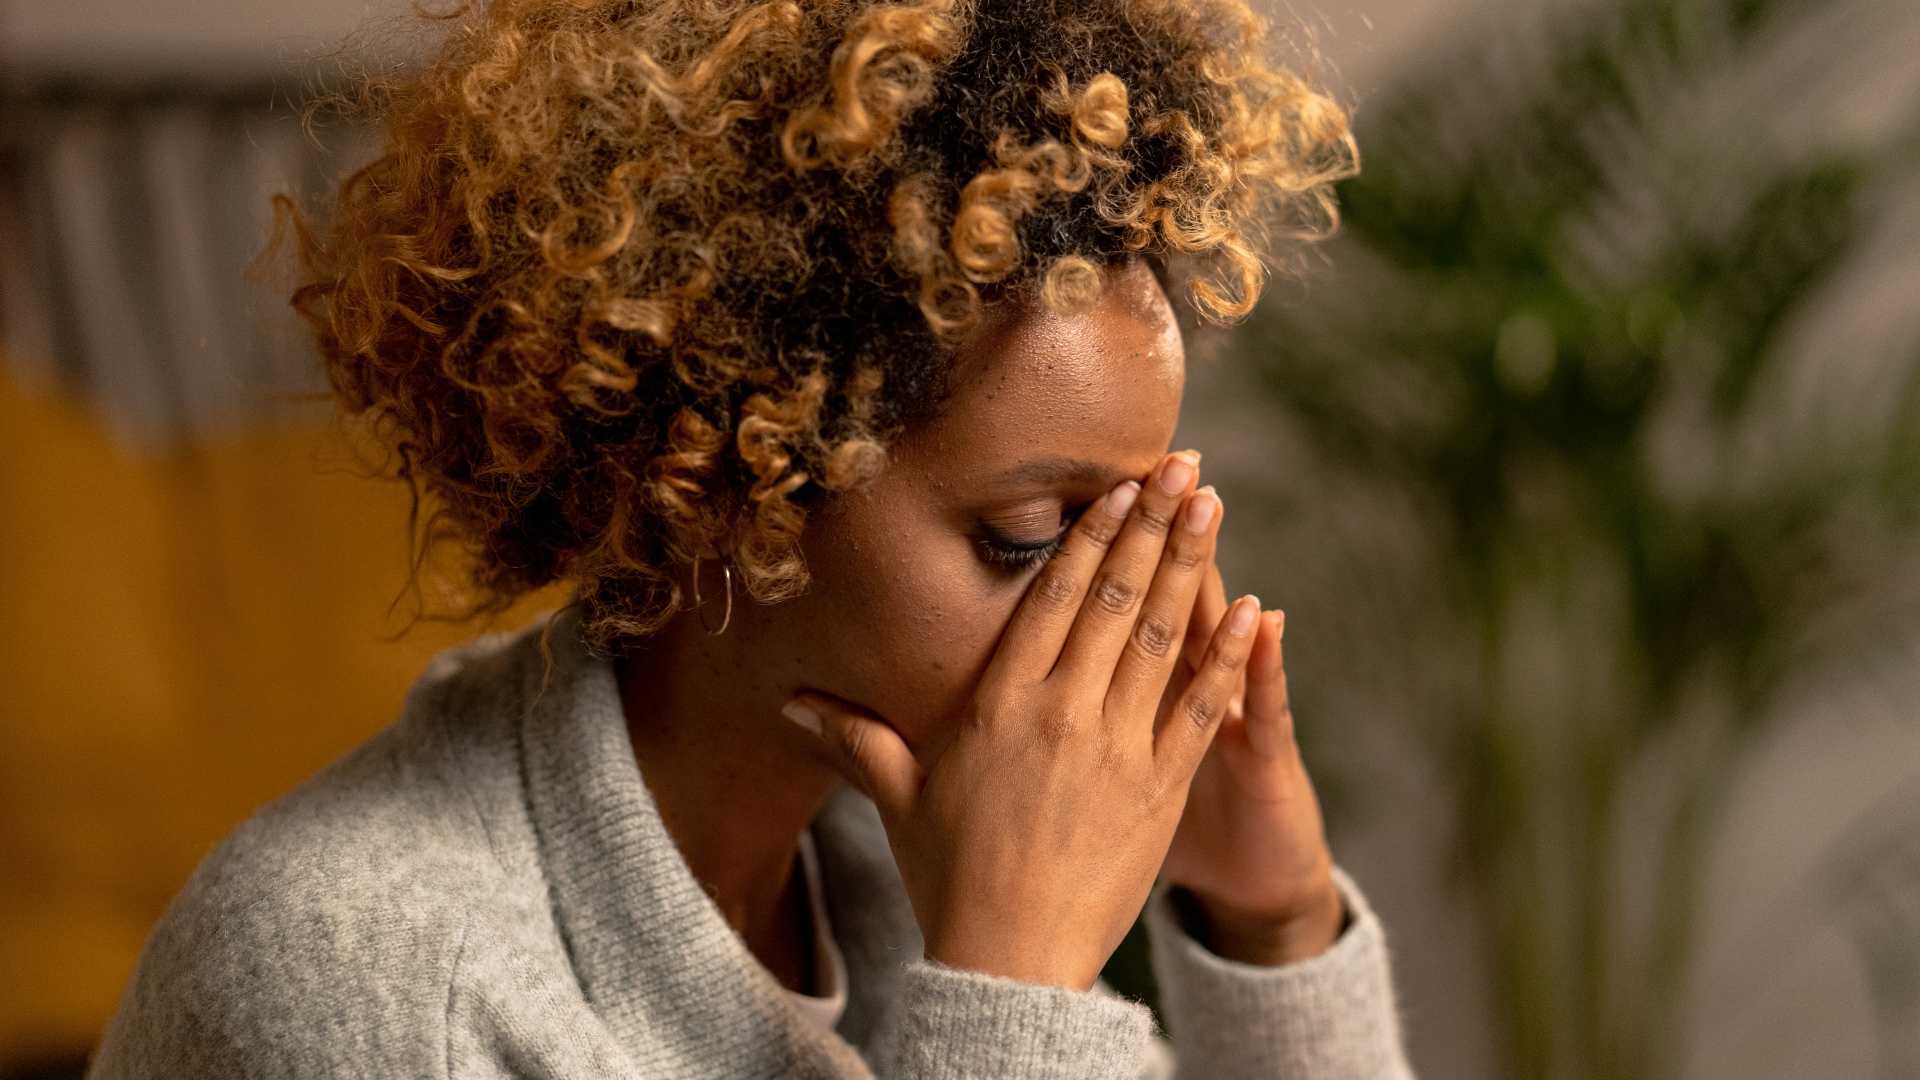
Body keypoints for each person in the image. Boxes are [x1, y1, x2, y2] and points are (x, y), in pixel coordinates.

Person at [91, 0, 1410, 1074]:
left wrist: (1271, 920)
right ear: (731, 476)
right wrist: (1012, 997)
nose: (1128, 611)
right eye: (1023, 534)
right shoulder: (360, 989)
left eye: (1137, 520)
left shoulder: (900, 859)